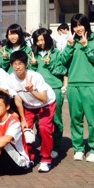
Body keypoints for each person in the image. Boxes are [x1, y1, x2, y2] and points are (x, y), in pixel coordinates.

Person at [60, 13, 94, 162]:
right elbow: (62, 62)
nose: (78, 28)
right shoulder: (71, 42)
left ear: (86, 25)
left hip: (92, 85)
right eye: (75, 26)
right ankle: (79, 149)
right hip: (73, 85)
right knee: (76, 120)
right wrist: (69, 47)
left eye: (81, 25)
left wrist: (87, 47)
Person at [7, 51, 57, 173]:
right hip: (29, 106)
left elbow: (44, 98)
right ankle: (29, 157)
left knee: (44, 128)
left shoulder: (35, 77)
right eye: (14, 64)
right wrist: (23, 119)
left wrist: (31, 90)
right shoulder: (11, 79)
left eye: (20, 63)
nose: (17, 67)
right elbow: (18, 99)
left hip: (46, 104)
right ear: (11, 65)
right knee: (23, 130)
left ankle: (46, 159)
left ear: (26, 64)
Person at [30, 28, 67, 157]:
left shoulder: (56, 53)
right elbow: (30, 73)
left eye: (42, 40)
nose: (40, 43)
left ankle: (55, 146)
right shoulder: (33, 54)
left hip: (54, 88)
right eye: (37, 40)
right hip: (38, 91)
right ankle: (44, 144)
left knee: (55, 119)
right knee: (39, 120)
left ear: (48, 39)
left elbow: (63, 71)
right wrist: (33, 65)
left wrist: (51, 64)